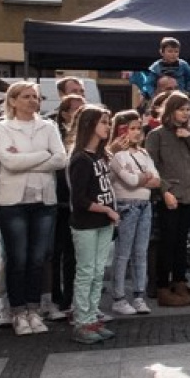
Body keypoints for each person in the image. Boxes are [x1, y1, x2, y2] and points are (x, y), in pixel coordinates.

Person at [0, 82, 68, 335]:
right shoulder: (1, 126)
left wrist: (27, 158)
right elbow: (9, 163)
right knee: (18, 258)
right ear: (12, 101)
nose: (33, 101)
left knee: (38, 258)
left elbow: (61, 158)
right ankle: (17, 310)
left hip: (44, 200)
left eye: (36, 97)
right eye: (26, 96)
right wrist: (42, 155)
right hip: (13, 202)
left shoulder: (48, 126)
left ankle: (34, 309)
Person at [145, 92, 190, 307]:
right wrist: (164, 191)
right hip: (170, 194)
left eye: (188, 110)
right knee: (168, 242)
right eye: (181, 109)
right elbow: (151, 166)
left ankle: (180, 282)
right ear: (171, 111)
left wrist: (189, 137)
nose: (185, 113)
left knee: (183, 243)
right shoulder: (157, 135)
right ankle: (162, 286)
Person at [66, 106, 119, 344]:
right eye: (104, 122)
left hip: (104, 222)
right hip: (87, 223)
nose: (108, 127)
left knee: (98, 272)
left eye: (108, 122)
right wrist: (106, 209)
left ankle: (92, 316)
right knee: (86, 271)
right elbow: (79, 200)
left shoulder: (100, 156)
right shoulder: (81, 159)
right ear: (90, 125)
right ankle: (81, 321)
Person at [107, 111, 160, 316]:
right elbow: (128, 181)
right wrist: (143, 177)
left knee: (141, 252)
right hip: (126, 205)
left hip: (144, 204)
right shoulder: (116, 154)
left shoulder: (144, 154)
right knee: (123, 253)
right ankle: (119, 297)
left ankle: (139, 295)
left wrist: (141, 178)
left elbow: (156, 180)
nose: (137, 132)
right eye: (132, 128)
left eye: (139, 128)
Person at [46, 93, 84, 321]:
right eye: (75, 111)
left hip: (74, 202)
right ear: (64, 112)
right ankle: (53, 296)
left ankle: (69, 298)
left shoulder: (84, 135)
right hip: (56, 198)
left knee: (73, 254)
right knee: (54, 252)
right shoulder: (55, 131)